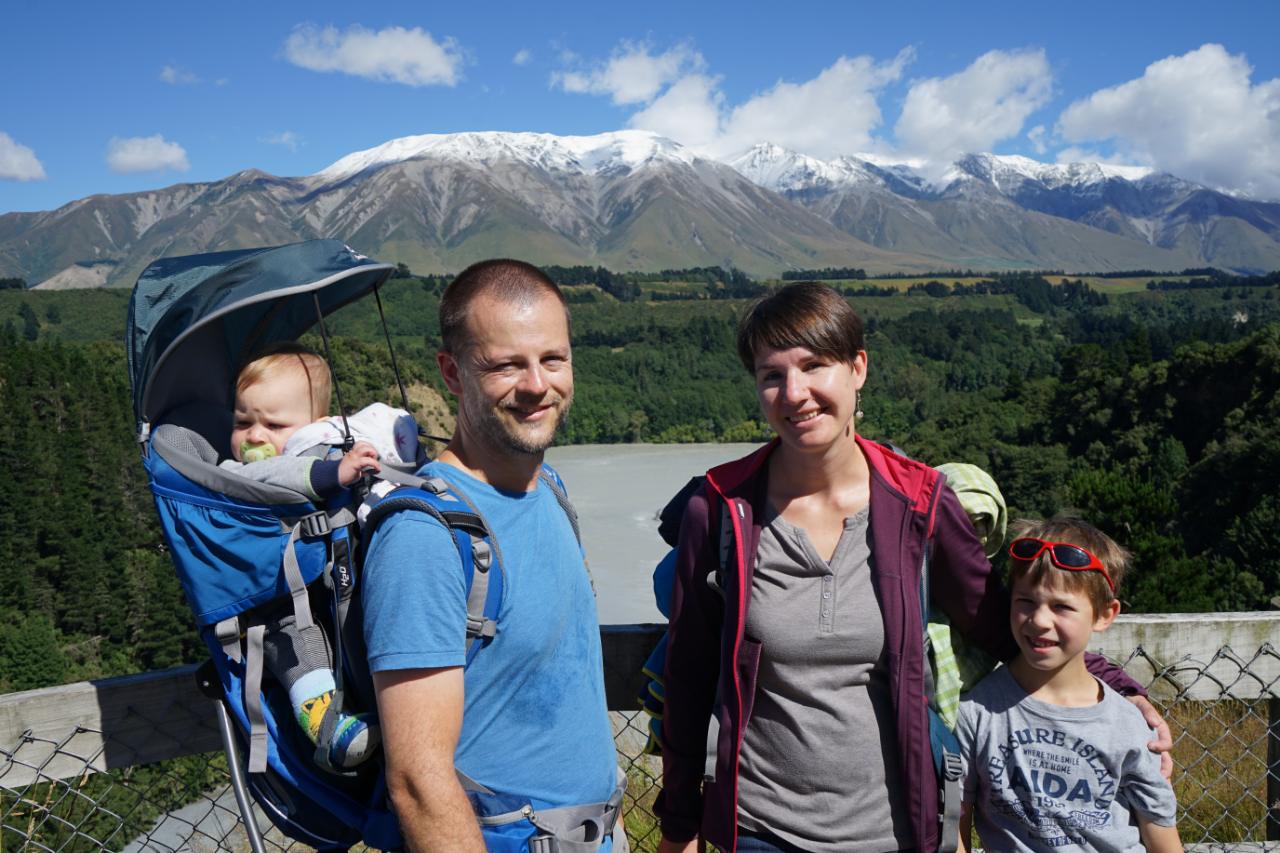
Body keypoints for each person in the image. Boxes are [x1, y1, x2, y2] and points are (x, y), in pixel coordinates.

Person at [654, 282, 1171, 853]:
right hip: (758, 830)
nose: (793, 393)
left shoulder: (919, 502)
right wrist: (679, 828)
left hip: (894, 830)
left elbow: (998, 623)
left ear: (858, 368)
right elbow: (689, 675)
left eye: (813, 366)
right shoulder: (722, 507)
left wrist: (1117, 687)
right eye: (771, 375)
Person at [360, 260, 624, 852]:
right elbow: (418, 782)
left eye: (552, 359)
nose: (536, 384)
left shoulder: (548, 488)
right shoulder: (422, 535)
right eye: (506, 365)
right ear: (452, 375)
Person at [957, 518, 1182, 852]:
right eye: (1026, 602)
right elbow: (954, 824)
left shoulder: (1129, 724)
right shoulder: (977, 713)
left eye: (1061, 606)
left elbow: (1162, 838)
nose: (1039, 621)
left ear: (1104, 615)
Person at [221, 344, 384, 769]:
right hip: (276, 608)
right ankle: (327, 729)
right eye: (243, 422)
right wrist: (330, 474)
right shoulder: (234, 473)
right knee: (296, 645)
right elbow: (271, 474)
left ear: (314, 428)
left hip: (330, 594)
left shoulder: (318, 451)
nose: (255, 436)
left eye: (274, 424)